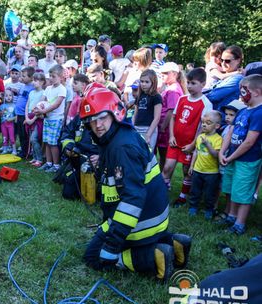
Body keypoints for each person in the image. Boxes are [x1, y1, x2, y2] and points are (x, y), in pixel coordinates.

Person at [79, 87, 191, 281]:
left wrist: (113, 244)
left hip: (141, 220)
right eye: (92, 121)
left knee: (93, 257)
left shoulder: (122, 147)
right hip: (153, 216)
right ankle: (173, 243)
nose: (97, 126)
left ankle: (154, 256)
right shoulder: (119, 135)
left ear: (115, 114)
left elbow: (132, 199)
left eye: (102, 118)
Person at [218, 75, 262, 235]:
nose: (241, 94)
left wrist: (230, 157)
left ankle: (240, 224)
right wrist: (223, 152)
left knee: (243, 191)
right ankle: (231, 215)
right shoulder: (243, 110)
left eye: (244, 91)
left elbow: (250, 142)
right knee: (231, 188)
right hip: (232, 157)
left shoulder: (259, 113)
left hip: (247, 160)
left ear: (256, 92)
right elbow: (231, 132)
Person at [162, 68, 212, 206]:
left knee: (186, 171)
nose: (189, 86)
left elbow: (203, 128)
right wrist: (171, 135)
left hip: (189, 145)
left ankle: (183, 197)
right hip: (175, 142)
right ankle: (160, 194)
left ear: (203, 84)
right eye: (188, 83)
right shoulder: (182, 98)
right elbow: (174, 117)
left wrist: (192, 145)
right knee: (167, 168)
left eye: (193, 83)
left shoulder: (206, 104)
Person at [187, 110, 222, 218]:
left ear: (217, 126)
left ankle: (209, 209)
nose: (204, 125)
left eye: (208, 122)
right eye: (203, 122)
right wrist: (192, 166)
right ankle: (193, 206)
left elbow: (216, 154)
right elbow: (196, 152)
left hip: (211, 172)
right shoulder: (200, 136)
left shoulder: (218, 139)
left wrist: (207, 144)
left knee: (209, 193)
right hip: (198, 169)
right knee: (195, 190)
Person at [216, 99, 246, 217]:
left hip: (233, 161)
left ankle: (229, 211)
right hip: (223, 160)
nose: (227, 117)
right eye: (226, 114)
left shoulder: (241, 130)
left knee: (232, 189)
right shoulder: (225, 128)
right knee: (223, 186)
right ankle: (217, 207)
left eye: (231, 115)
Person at [34, 64, 66, 173]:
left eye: (54, 76)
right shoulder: (48, 88)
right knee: (47, 142)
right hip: (47, 118)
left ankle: (56, 165)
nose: (51, 79)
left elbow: (56, 105)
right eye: (50, 76)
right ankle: (48, 163)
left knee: (53, 143)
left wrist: (43, 111)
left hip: (56, 119)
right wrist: (38, 107)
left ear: (61, 77)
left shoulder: (62, 89)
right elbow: (43, 100)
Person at [157, 62, 187, 170]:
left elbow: (171, 111)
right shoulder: (170, 87)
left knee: (164, 157)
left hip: (166, 130)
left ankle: (164, 181)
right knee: (162, 157)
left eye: (165, 73)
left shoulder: (173, 90)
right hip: (164, 128)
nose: (162, 75)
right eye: (161, 73)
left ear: (174, 74)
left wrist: (162, 127)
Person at [205, 45, 244, 110]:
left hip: (222, 118)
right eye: (221, 60)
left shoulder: (237, 79)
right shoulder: (224, 77)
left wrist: (197, 96)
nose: (223, 63)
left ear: (238, 60)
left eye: (227, 61)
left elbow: (213, 96)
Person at [133, 69, 162, 150]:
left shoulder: (156, 97)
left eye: (146, 82)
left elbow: (157, 118)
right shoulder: (139, 96)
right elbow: (135, 114)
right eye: (142, 81)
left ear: (153, 83)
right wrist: (132, 128)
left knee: (146, 154)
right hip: (137, 128)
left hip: (149, 129)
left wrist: (148, 135)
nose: (143, 84)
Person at [25, 72, 46, 167]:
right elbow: (27, 105)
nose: (34, 82)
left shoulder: (43, 93)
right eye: (33, 80)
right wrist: (26, 117)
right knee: (31, 138)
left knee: (34, 138)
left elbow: (39, 108)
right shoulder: (31, 92)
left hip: (37, 119)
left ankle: (40, 159)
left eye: (36, 80)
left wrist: (32, 120)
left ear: (42, 82)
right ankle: (34, 157)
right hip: (29, 117)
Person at [15, 66, 35, 158]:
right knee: (21, 134)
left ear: (31, 77)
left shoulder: (32, 88)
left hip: (25, 115)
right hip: (19, 114)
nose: (21, 78)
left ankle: (26, 152)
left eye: (24, 76)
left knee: (25, 135)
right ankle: (23, 150)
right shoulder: (23, 86)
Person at [0, 89, 17, 154]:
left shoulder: (14, 106)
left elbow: (17, 116)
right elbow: (0, 115)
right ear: (4, 97)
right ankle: (5, 149)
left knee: (12, 137)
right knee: (4, 137)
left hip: (10, 124)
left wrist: (11, 119)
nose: (8, 97)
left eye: (10, 95)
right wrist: (1, 112)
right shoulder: (2, 106)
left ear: (12, 97)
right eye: (6, 96)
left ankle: (14, 150)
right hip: (3, 124)